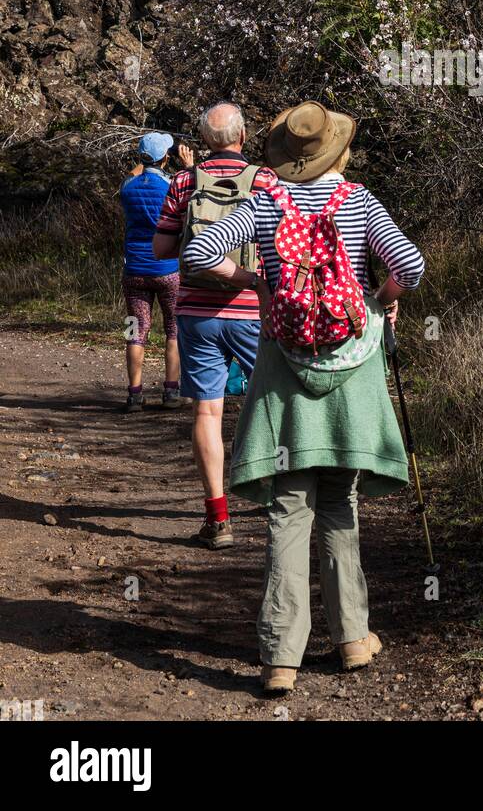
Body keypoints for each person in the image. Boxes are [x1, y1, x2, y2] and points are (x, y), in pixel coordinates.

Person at [180, 100, 425, 695]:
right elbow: (410, 266)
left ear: (286, 158)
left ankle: (280, 658)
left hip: (284, 374)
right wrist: (375, 299)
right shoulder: (359, 202)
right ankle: (352, 639)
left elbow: (195, 254)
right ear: (337, 152)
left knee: (288, 510)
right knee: (340, 503)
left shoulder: (265, 203)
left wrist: (259, 284)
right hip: (352, 377)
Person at [151, 102, 278, 549]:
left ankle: (218, 519)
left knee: (207, 411)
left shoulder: (184, 181)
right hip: (254, 307)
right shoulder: (265, 180)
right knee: (272, 402)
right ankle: (281, 503)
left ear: (204, 141)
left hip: (197, 312)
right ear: (243, 136)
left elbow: (163, 248)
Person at [119, 131, 188, 412]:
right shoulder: (172, 186)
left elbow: (130, 176)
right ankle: (171, 392)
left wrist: (143, 163)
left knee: (135, 330)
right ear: (165, 157)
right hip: (167, 268)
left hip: (134, 269)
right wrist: (185, 167)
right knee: (173, 329)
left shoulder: (127, 188)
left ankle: (134, 394)